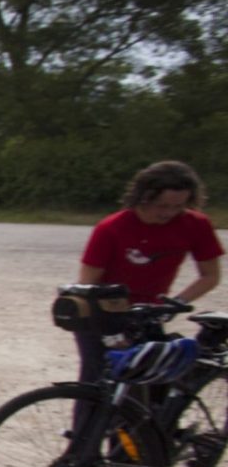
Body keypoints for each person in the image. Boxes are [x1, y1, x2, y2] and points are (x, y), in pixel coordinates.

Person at [73, 160, 222, 382]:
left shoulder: (195, 224)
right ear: (143, 197)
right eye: (162, 206)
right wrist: (111, 331)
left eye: (178, 206)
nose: (169, 213)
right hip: (104, 314)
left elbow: (210, 275)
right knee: (100, 387)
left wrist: (175, 303)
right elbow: (87, 286)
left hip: (149, 314)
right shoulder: (112, 228)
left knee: (150, 391)